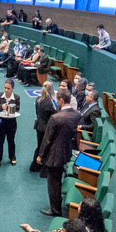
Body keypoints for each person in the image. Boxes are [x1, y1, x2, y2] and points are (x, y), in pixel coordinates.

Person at [37, 89, 82, 217]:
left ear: (61, 100)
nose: (56, 101)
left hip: (54, 155)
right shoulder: (76, 115)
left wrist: (40, 155)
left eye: (57, 99)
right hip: (65, 152)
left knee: (53, 184)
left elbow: (47, 139)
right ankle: (57, 206)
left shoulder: (55, 118)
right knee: (58, 180)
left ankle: (55, 210)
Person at [21, 196, 105, 232]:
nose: (78, 207)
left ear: (84, 213)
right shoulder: (97, 226)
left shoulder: (79, 229)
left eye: (79, 206)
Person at [0, 78, 20, 166]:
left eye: (8, 88)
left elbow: (18, 108)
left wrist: (11, 108)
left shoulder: (16, 97)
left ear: (13, 88)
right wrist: (1, 106)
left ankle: (12, 157)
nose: (6, 90)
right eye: (5, 88)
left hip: (11, 122)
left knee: (11, 140)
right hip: (1, 122)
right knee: (0, 141)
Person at [30, 80, 58, 173]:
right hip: (46, 128)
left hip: (39, 126)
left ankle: (35, 166)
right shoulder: (50, 103)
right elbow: (54, 116)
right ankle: (36, 166)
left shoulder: (38, 99)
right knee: (43, 148)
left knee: (39, 146)